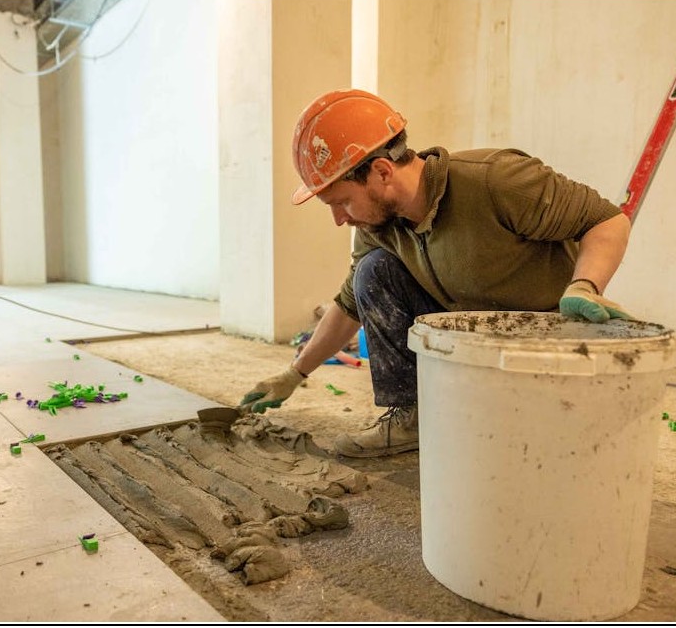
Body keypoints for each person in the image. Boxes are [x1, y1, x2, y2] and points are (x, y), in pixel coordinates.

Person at [240, 89, 633, 458]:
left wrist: (585, 285)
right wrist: (294, 374)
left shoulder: (496, 180)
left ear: (381, 172)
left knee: (536, 442)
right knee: (372, 273)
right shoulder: (377, 226)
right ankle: (413, 417)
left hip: (539, 341)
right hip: (468, 337)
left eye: (342, 202)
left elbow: (606, 220)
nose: (339, 219)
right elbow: (348, 306)